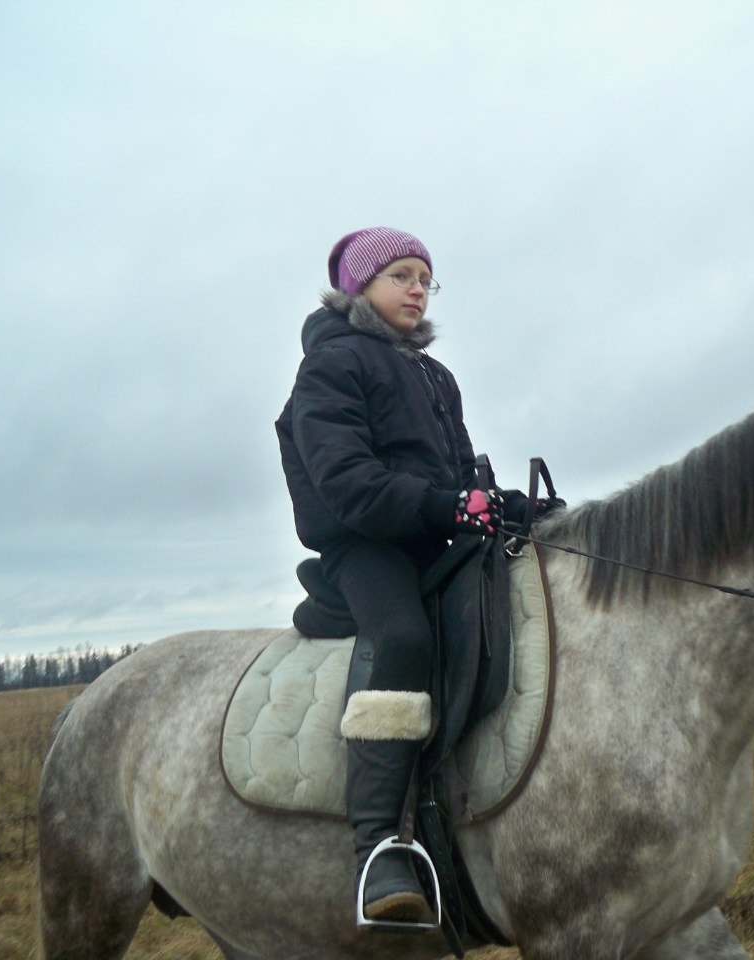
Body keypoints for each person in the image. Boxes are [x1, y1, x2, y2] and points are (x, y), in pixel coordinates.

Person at [275, 227, 531, 924]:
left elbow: (455, 474)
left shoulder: (433, 375)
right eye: (403, 276)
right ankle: (378, 846)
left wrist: (497, 502)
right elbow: (347, 484)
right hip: (366, 547)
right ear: (360, 286)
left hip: (432, 534)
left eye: (427, 278)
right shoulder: (330, 367)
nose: (419, 289)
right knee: (405, 639)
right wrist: (447, 503)